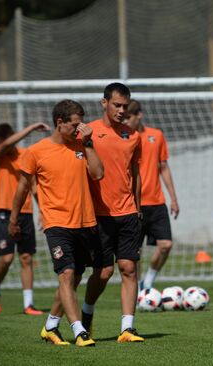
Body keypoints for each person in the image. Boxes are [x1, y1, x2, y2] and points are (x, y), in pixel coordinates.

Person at [8, 99, 102, 346]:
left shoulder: (83, 145)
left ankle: (51, 325)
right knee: (67, 273)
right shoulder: (36, 152)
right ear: (59, 123)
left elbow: (98, 173)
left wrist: (89, 143)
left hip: (85, 222)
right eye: (75, 124)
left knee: (76, 276)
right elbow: (21, 189)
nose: (79, 128)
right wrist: (14, 219)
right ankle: (79, 330)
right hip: (56, 223)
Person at [81, 83, 145, 342]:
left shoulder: (133, 136)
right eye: (116, 105)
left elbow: (136, 175)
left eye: (125, 106)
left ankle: (127, 328)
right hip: (98, 215)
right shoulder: (88, 133)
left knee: (129, 268)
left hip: (128, 212)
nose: (121, 110)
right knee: (104, 272)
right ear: (104, 103)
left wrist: (139, 208)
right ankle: (86, 312)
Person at [0, 121, 50, 316]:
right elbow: (6, 145)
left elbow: (32, 184)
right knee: (7, 258)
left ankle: (28, 304)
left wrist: (42, 210)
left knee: (26, 257)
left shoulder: (24, 155)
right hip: (5, 212)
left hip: (26, 212)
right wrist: (32, 128)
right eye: (5, 141)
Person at [124, 99, 179, 290]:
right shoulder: (123, 138)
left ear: (139, 115)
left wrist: (173, 198)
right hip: (132, 204)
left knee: (166, 245)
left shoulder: (156, 135)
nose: (126, 121)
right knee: (134, 252)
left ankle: (148, 281)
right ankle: (138, 289)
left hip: (156, 202)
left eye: (129, 117)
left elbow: (163, 167)